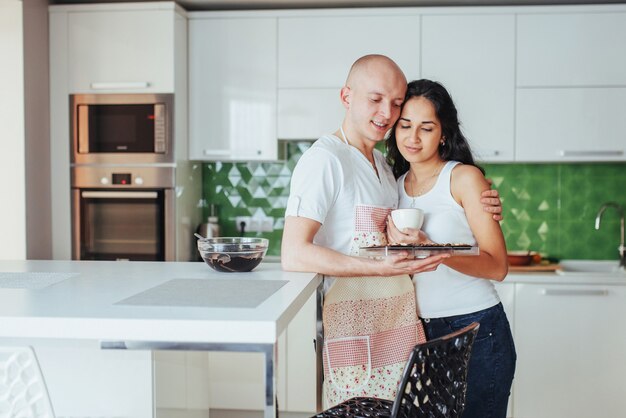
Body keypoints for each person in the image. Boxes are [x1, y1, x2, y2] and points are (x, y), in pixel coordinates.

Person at [281, 55, 502, 408]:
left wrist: (479, 204)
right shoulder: (324, 160)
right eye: (375, 99)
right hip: (355, 336)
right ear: (346, 96)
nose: (387, 113)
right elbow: (294, 253)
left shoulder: (385, 170)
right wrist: (381, 267)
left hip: (400, 334)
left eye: (396, 103)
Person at [386, 78, 516, 418]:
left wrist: (437, 250)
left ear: (443, 133)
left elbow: (497, 265)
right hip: (420, 331)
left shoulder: (463, 179)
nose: (413, 138)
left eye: (426, 128)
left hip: (476, 330)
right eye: (405, 125)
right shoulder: (393, 186)